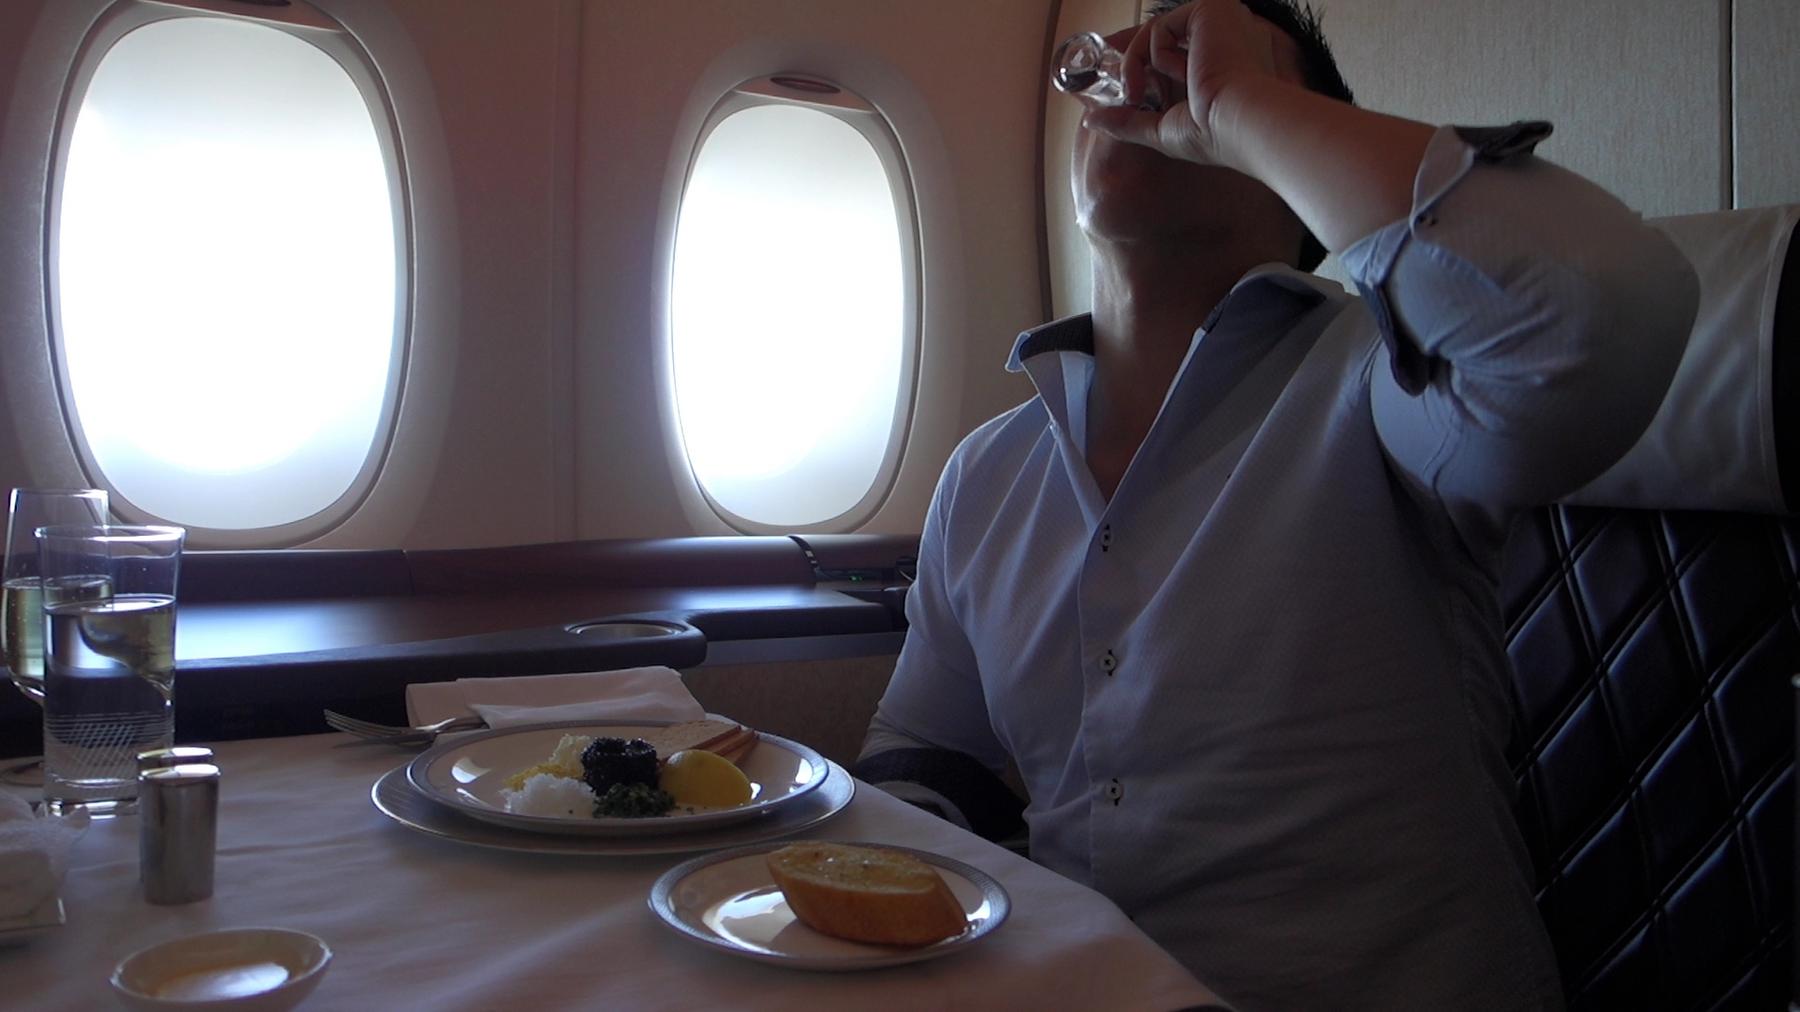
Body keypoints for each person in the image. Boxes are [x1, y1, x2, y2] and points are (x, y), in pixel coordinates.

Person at [853, 1, 1701, 1008]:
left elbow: (1600, 314)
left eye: (1193, 73)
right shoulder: (987, 474)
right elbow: (922, 751)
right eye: (1129, 59)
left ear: (1290, 168)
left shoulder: (1384, 384)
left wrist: (1237, 104)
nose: (1138, 80)